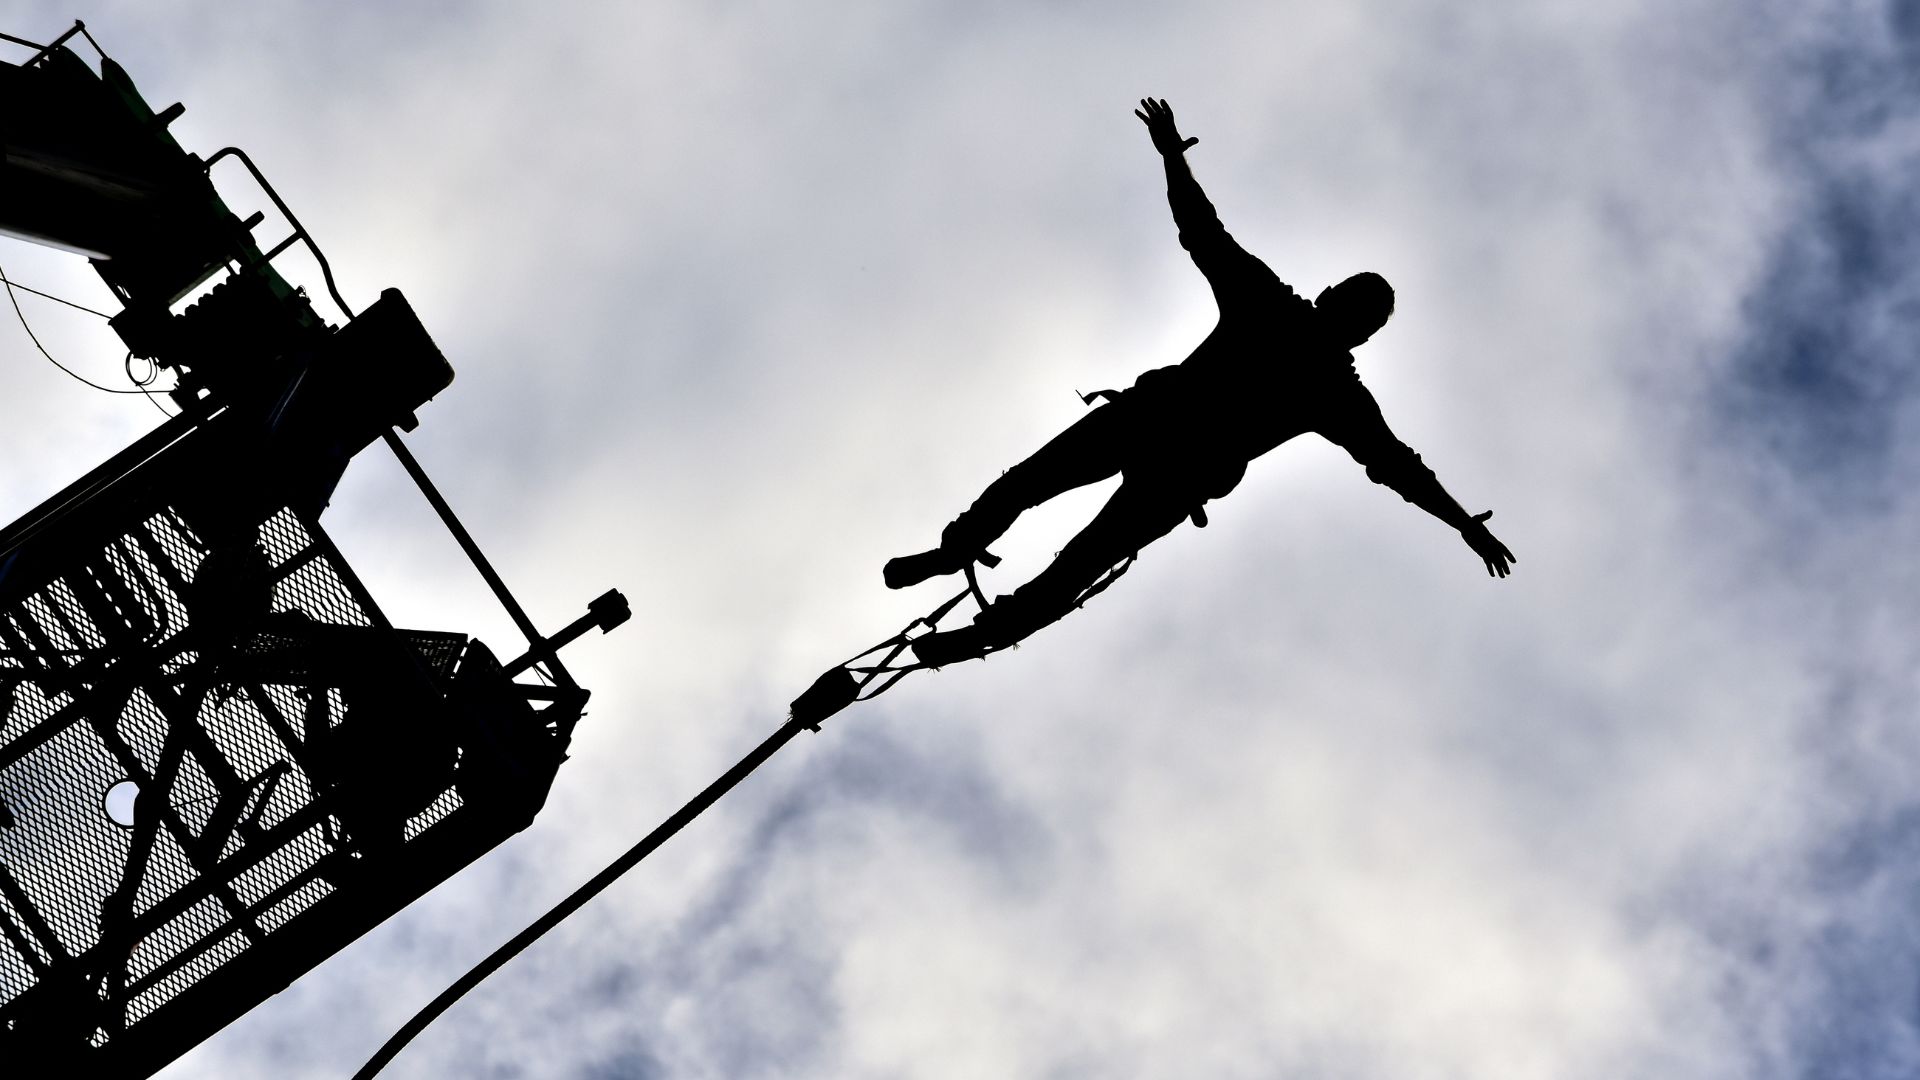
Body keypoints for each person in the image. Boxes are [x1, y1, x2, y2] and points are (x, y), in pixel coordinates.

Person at [891, 98, 1514, 666]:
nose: (1352, 320)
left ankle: (983, 612)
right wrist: (1172, 160)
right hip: (1154, 428)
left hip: (1175, 464)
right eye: (1356, 307)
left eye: (1362, 317)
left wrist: (1461, 522)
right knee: (1041, 500)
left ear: (1359, 334)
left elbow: (1398, 466)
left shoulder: (1331, 384)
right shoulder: (1279, 318)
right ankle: (960, 558)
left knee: (1072, 547)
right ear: (1337, 305)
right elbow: (1203, 230)